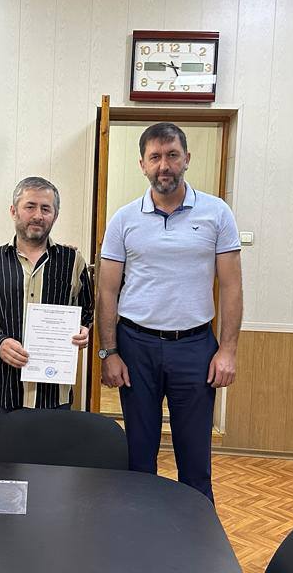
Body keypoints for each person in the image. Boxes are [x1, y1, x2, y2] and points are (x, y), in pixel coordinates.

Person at [96, 122, 243, 502]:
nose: (164, 165)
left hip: (195, 348)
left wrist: (227, 350)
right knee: (139, 457)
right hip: (136, 347)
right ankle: (140, 530)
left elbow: (232, 286)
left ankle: (197, 536)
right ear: (142, 164)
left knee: (195, 461)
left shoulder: (217, 213)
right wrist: (109, 352)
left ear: (186, 159)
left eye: (172, 155)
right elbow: (107, 290)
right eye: (155, 157)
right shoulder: (124, 219)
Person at [0, 177, 94, 456]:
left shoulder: (74, 262)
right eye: (30, 206)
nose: (38, 215)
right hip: (0, 394)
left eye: (46, 208)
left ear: (55, 215)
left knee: (51, 474)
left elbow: (86, 313)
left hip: (54, 396)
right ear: (14, 211)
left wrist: (84, 330)